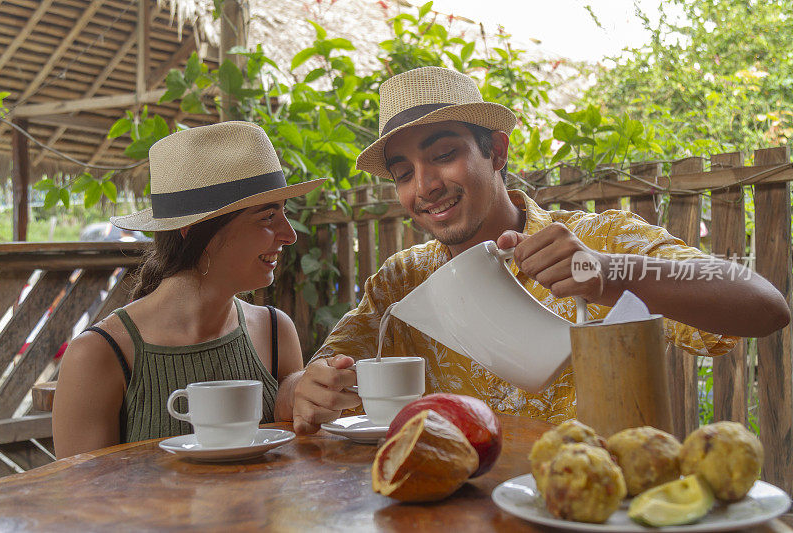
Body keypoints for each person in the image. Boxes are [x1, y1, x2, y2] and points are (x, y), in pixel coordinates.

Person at [278, 66, 790, 434]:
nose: (425, 186)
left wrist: (609, 272)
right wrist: (310, 388)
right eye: (404, 173)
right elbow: (321, 376)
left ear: (496, 152)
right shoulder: (400, 281)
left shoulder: (598, 240)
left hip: (588, 504)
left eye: (444, 155)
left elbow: (765, 305)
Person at [53, 121, 324, 458]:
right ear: (196, 230)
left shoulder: (275, 332)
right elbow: (83, 502)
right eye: (268, 217)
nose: (290, 234)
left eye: (284, 212)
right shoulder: (98, 356)